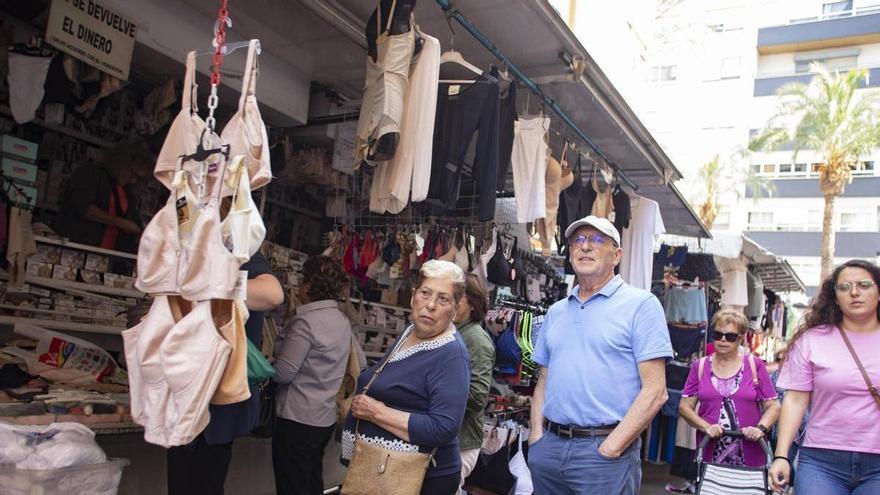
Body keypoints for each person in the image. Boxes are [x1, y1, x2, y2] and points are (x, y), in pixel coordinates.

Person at [528, 215, 672, 494]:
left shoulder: (641, 305)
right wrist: (536, 436)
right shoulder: (557, 311)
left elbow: (656, 391)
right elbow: (544, 380)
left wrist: (612, 446)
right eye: (578, 240)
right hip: (550, 450)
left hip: (603, 455)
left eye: (596, 240)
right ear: (570, 252)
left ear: (616, 255)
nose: (585, 247)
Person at [341, 260, 471, 495]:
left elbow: (444, 427)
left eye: (443, 299)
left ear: (456, 308)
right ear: (413, 297)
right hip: (379, 469)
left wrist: (376, 412)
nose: (430, 305)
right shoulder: (411, 331)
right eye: (425, 293)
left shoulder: (452, 355)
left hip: (418, 478)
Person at [166, 250, 284, 495]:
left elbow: (272, 294)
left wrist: (208, 285)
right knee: (182, 479)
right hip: (185, 398)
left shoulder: (243, 254)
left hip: (216, 404)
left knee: (205, 479)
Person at [769, 260, 880, 494]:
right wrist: (781, 456)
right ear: (835, 297)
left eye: (864, 285)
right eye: (845, 287)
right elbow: (795, 400)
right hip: (821, 463)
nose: (855, 292)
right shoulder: (812, 340)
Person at [272, 255, 354, 495]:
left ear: (310, 285)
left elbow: (284, 373)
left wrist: (263, 369)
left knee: (292, 483)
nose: (299, 285)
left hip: (296, 416)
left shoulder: (305, 322)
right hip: (324, 416)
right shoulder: (342, 320)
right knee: (310, 479)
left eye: (302, 279)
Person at [678, 309, 780, 468]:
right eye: (718, 335)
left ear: (741, 338)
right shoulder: (700, 366)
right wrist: (706, 427)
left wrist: (760, 429)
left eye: (730, 337)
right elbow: (685, 407)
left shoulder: (755, 366)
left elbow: (773, 406)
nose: (723, 340)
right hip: (710, 454)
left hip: (751, 454)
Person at [54, 140, 153, 252]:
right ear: (122, 162)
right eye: (132, 173)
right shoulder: (90, 173)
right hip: (76, 248)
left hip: (105, 255)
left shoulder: (127, 191)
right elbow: (84, 208)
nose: (133, 180)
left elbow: (134, 222)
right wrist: (120, 222)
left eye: (138, 178)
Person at [454, 273, 495, 494]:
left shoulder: (476, 340)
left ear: (473, 303)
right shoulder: (453, 331)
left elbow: (478, 397)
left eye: (457, 296)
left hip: (461, 442)